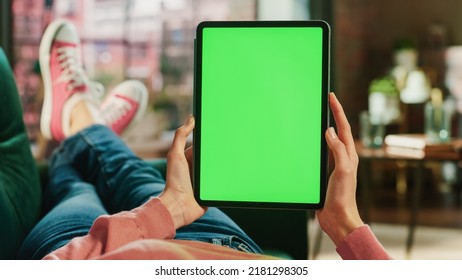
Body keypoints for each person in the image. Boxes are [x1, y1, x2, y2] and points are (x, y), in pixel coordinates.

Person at [18, 19, 391, 260]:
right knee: (130, 171)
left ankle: (80, 118)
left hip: (90, 258)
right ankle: (86, 123)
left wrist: (170, 212)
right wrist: (345, 223)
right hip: (224, 248)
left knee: (74, 185)